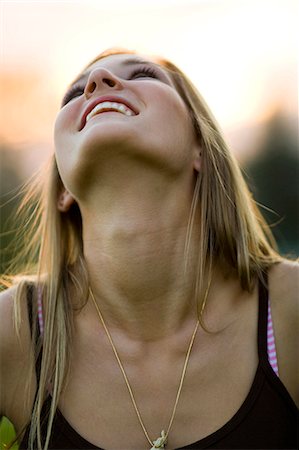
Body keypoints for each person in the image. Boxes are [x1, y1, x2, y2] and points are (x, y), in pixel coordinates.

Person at [0, 48, 298, 450]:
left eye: (143, 74)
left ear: (201, 149)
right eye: (73, 95)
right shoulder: (13, 332)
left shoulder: (289, 311)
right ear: (63, 190)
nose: (98, 81)